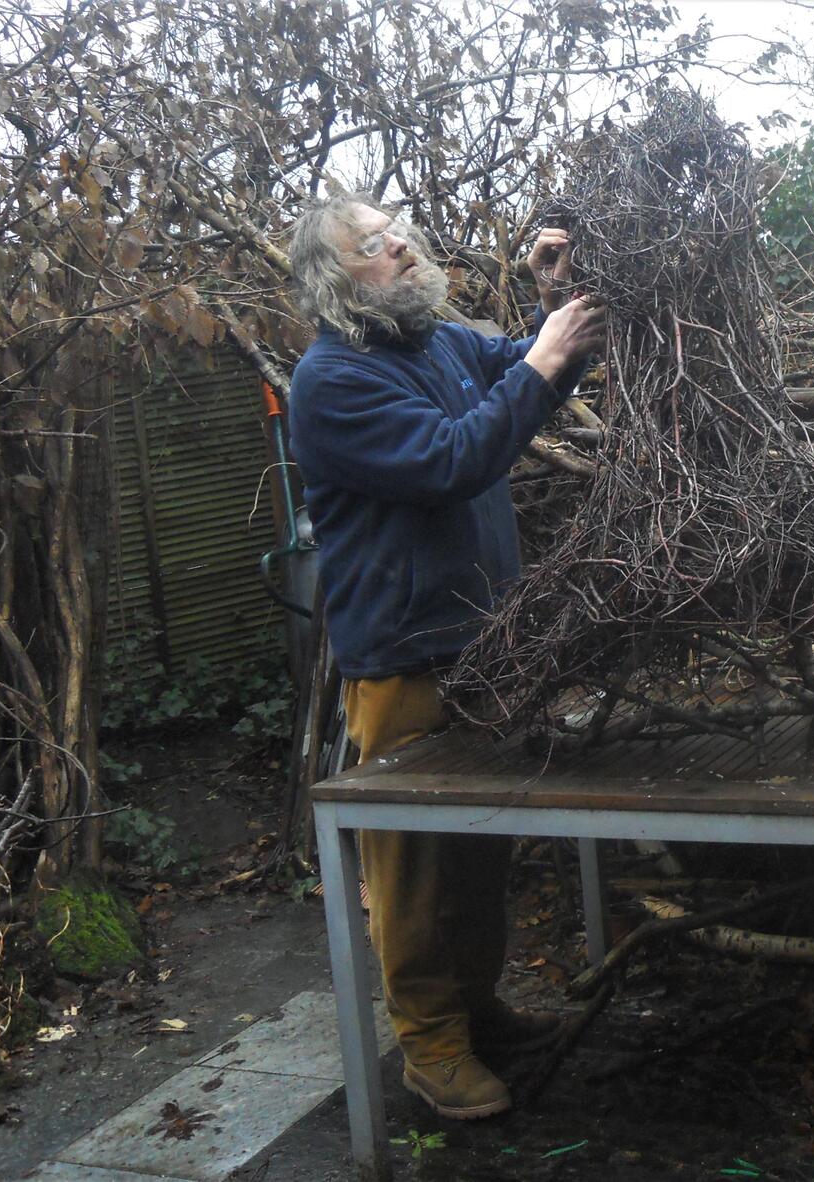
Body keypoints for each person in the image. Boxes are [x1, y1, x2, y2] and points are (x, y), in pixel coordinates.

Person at [284, 193, 605, 1120]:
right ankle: (430, 1046)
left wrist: (554, 310)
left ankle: (479, 1011)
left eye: (399, 237)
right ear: (333, 279)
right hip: (402, 660)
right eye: (373, 247)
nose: (399, 250)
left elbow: (528, 378)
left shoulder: (443, 341)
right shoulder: (333, 382)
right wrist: (541, 356)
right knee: (415, 869)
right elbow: (453, 459)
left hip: (482, 647)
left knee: (478, 855)